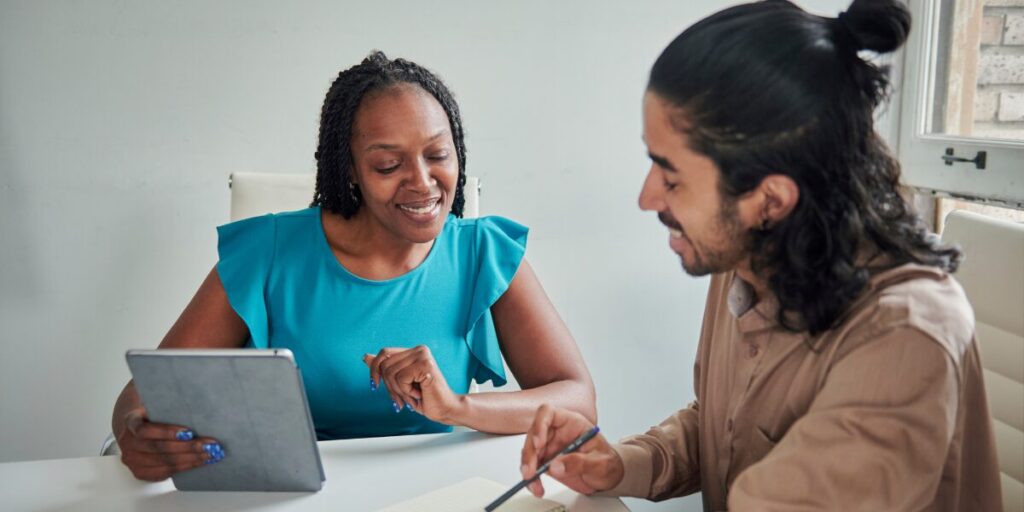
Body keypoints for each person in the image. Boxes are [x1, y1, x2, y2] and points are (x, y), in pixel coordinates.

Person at [519, 1, 1002, 510]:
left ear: (770, 201)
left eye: (672, 176)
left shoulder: (906, 336)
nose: (647, 198)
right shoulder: (747, 255)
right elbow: (730, 427)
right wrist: (620, 463)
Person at [112, 51, 596, 482]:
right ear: (350, 171)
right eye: (388, 165)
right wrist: (137, 432)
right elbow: (144, 394)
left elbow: (578, 398)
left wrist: (459, 408)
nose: (423, 183)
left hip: (438, 493)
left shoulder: (484, 252)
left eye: (438, 155)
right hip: (296, 497)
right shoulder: (268, 252)